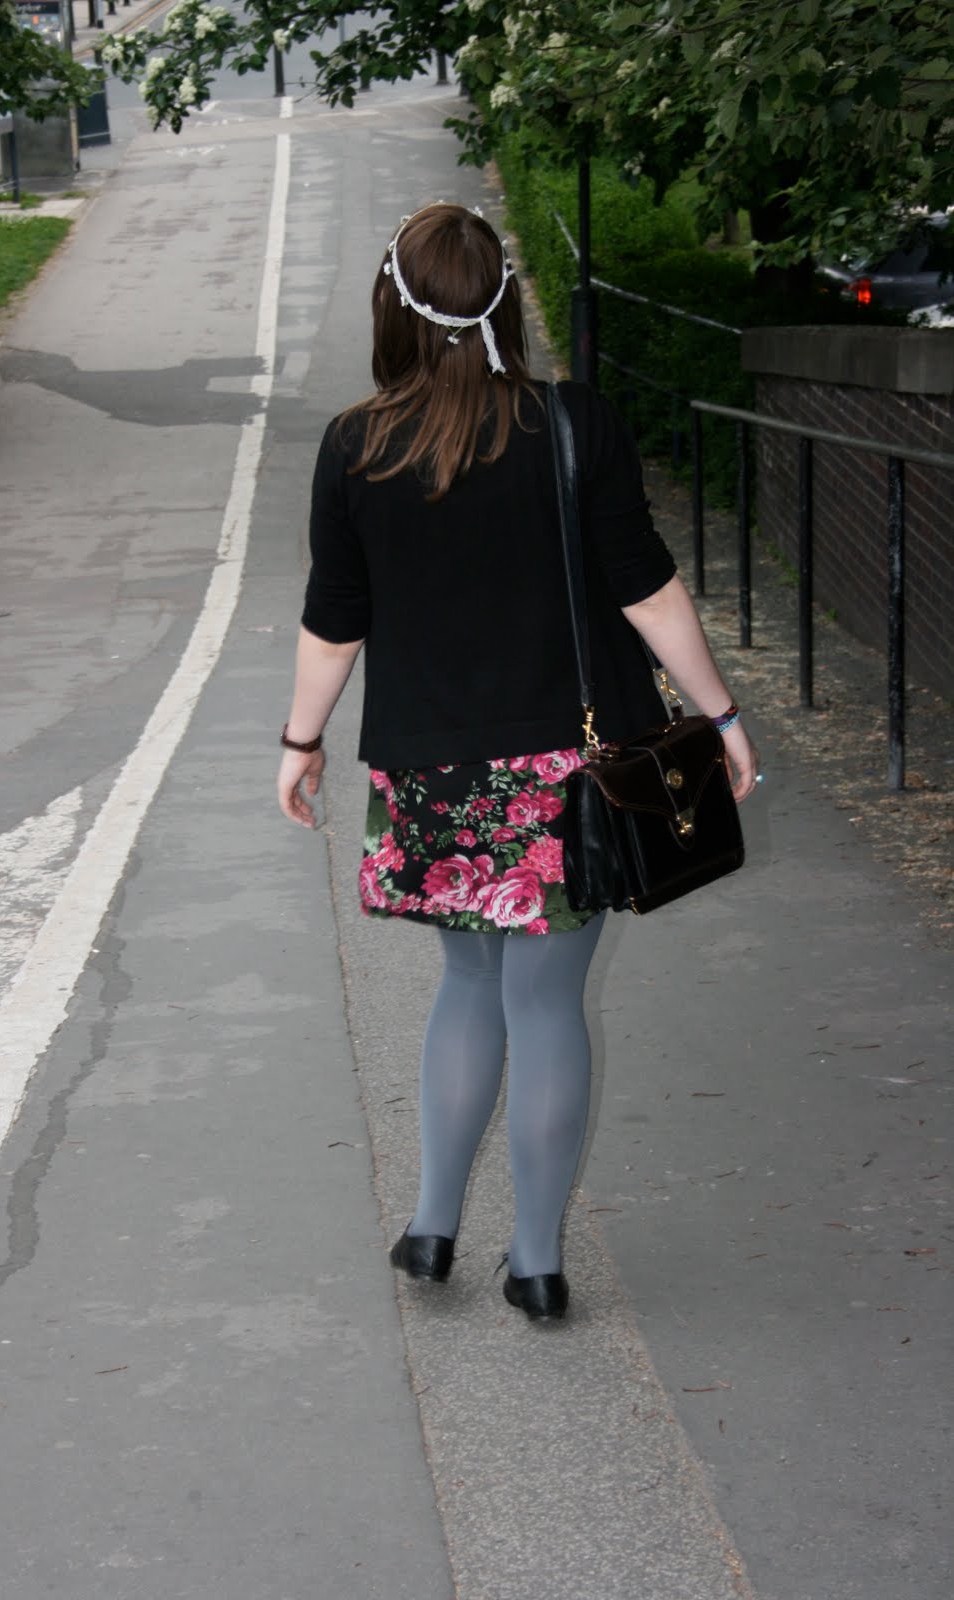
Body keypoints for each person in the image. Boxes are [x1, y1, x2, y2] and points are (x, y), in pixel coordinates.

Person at [277, 202, 759, 1323]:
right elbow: (644, 588)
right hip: (568, 775)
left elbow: (332, 620)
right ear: (504, 299)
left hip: (433, 775)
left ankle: (432, 1228)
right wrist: (720, 716)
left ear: (392, 306)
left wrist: (300, 744)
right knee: (546, 1007)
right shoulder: (574, 425)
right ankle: (535, 1262)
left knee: (465, 985)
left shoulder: (357, 445)